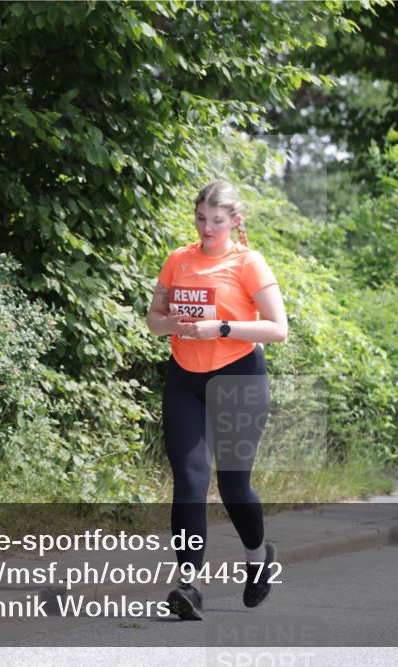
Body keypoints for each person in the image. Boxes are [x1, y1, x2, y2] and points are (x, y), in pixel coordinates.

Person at [145, 180, 289, 621]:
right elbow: (153, 320)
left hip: (238, 378)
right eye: (201, 219)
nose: (207, 228)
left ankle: (257, 556)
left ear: (235, 222)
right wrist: (176, 324)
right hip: (185, 379)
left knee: (232, 484)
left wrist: (222, 328)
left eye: (217, 221)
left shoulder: (248, 263)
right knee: (189, 480)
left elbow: (277, 328)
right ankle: (189, 586)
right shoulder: (178, 261)